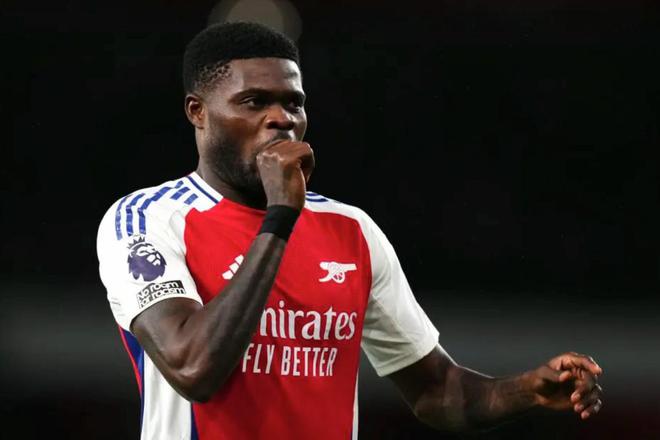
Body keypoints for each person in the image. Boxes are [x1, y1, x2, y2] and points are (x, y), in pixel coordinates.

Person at [97, 22, 603, 440]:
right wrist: (280, 217)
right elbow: (193, 369)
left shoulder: (351, 230)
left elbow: (436, 391)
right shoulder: (147, 220)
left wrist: (527, 389)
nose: (280, 120)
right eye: (253, 102)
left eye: (293, 103)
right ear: (198, 112)